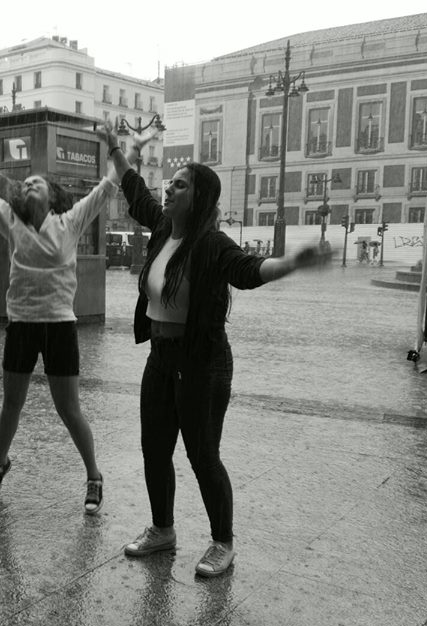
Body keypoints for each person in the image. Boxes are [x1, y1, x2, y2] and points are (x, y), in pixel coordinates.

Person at [102, 123, 330, 577]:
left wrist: (292, 263)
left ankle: (223, 542)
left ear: (200, 198)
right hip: (160, 358)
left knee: (202, 454)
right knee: (154, 449)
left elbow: (246, 269)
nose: (169, 190)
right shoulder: (163, 227)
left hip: (202, 363)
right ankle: (162, 529)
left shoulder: (210, 243)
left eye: (180, 185)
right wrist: (113, 148)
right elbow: (134, 188)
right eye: (170, 184)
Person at [0, 140, 117, 515]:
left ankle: (94, 477)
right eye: (27, 182)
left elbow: (105, 190)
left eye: (38, 182)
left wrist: (123, 154)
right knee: (12, 404)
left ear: (53, 197)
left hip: (60, 326)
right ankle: (1, 462)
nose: (31, 184)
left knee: (69, 408)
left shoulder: (70, 222)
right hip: (21, 325)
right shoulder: (12, 220)